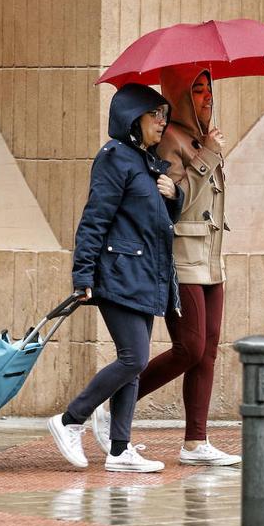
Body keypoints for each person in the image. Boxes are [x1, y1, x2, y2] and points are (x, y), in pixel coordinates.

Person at [92, 68, 241, 467]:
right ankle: (109, 407)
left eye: (209, 89)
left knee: (207, 352)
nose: (206, 97)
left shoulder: (201, 138)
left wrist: (208, 148)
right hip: (181, 256)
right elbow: (171, 204)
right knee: (188, 348)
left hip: (211, 257)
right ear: (179, 95)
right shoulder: (169, 139)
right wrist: (208, 154)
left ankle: (195, 442)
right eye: (197, 90)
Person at [48, 83, 184, 473]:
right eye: (154, 114)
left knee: (134, 365)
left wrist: (173, 197)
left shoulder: (146, 162)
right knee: (133, 357)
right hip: (118, 274)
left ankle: (119, 450)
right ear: (132, 118)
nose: (162, 121)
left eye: (164, 114)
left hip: (145, 276)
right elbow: (95, 219)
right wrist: (83, 274)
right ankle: (69, 420)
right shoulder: (114, 158)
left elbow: (156, 225)